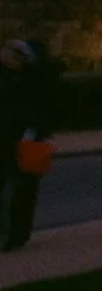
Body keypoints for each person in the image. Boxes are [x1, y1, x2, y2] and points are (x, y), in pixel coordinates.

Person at [1, 38, 62, 253]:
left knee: (23, 189)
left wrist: (33, 131)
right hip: (14, 140)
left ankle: (16, 234)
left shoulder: (32, 82)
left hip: (27, 141)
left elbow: (40, 111)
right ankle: (14, 233)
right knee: (19, 189)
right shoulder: (14, 78)